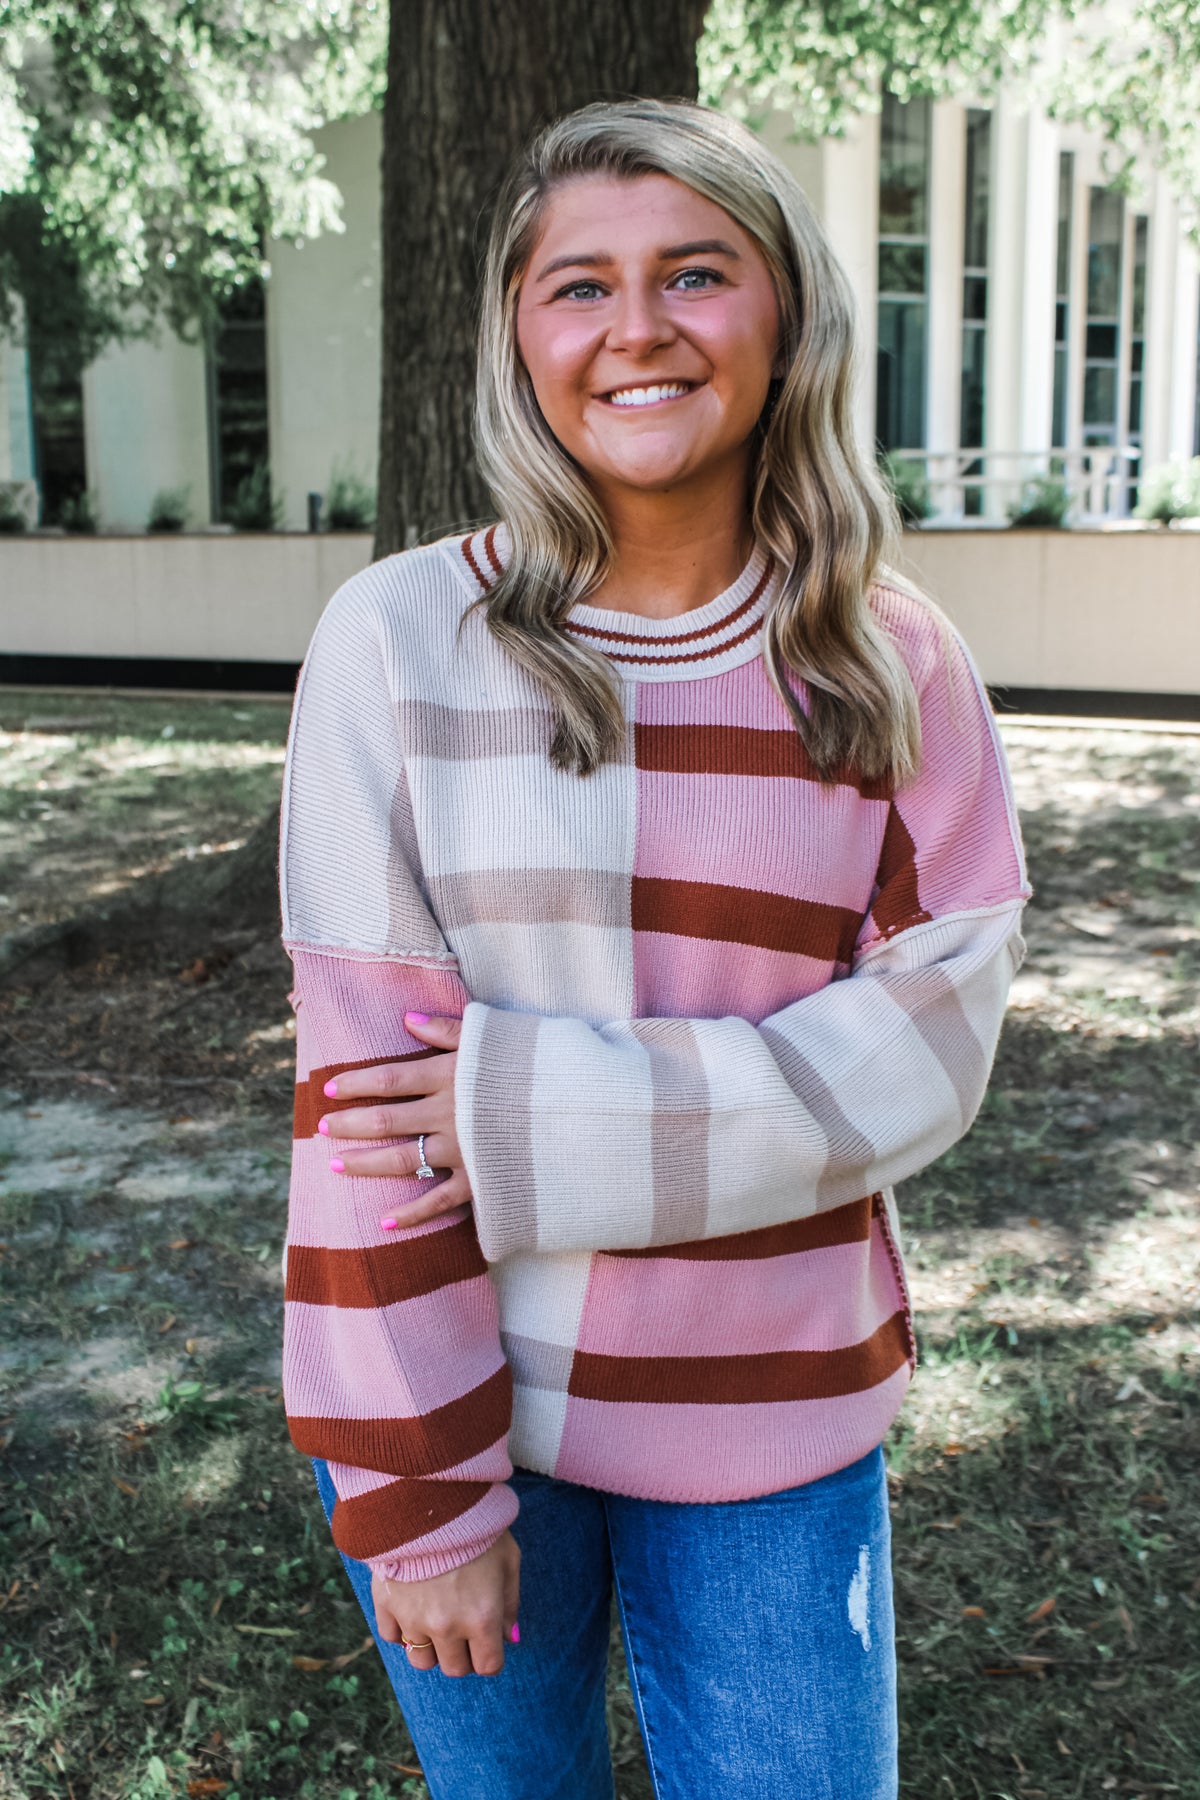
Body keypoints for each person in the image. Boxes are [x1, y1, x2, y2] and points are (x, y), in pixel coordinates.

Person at [278, 97, 1029, 1800]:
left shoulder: (894, 664)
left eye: (697, 272)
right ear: (518, 335)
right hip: (471, 1417)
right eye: (578, 286)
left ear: (786, 316)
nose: (637, 329)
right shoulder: (397, 637)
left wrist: (524, 1120)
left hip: (779, 1421)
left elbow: (927, 1058)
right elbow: (364, 1111)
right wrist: (420, 1491)